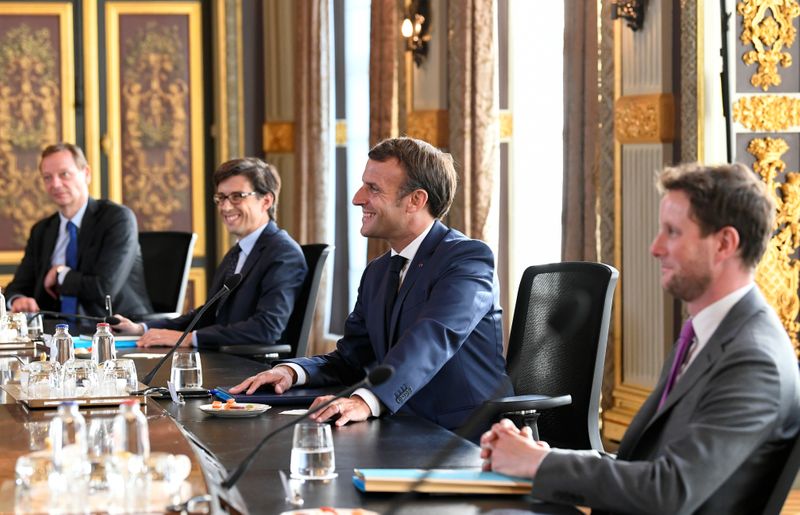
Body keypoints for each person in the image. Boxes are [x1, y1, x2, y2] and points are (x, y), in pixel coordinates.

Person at [481, 163, 800, 514]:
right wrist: (541, 455)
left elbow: (670, 491)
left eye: (673, 232)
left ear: (724, 243)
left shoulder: (755, 360)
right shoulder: (705, 334)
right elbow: (641, 463)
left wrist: (538, 465)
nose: (655, 247)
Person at [230, 137, 512, 430]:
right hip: (398, 428)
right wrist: (293, 371)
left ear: (416, 200)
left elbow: (432, 339)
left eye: (373, 189)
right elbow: (352, 358)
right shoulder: (377, 272)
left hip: (461, 437)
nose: (357, 198)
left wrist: (368, 400)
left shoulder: (467, 259)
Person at [113, 158, 306, 350]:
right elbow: (206, 315)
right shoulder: (237, 253)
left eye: (237, 196)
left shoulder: (283, 253)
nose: (225, 207)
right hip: (221, 358)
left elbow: (266, 328)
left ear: (266, 201)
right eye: (221, 197)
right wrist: (140, 328)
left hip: (251, 368)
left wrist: (189, 338)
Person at [5, 143, 152, 324]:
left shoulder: (117, 219)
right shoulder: (42, 230)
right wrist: (18, 299)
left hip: (115, 330)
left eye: (64, 174)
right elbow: (17, 287)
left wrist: (60, 274)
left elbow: (104, 289)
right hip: (56, 332)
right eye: (47, 177)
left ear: (86, 173)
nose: (55, 184)